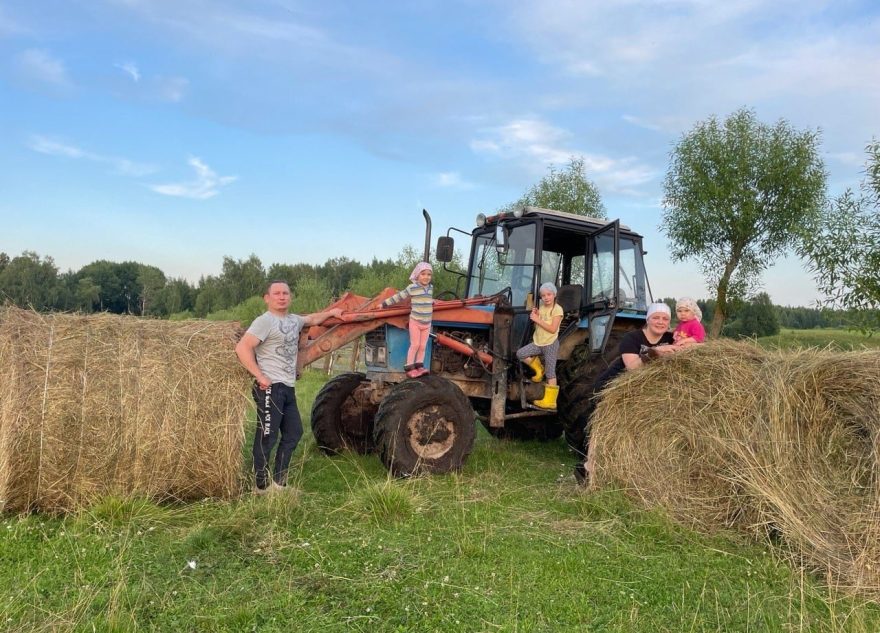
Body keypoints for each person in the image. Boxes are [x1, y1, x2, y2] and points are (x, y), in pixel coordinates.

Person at [235, 280, 343, 493]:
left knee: (294, 433)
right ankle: (260, 486)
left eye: (285, 293)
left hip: (287, 387)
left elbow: (312, 318)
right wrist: (259, 376)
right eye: (277, 293)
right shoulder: (264, 322)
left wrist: (333, 313)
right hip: (270, 387)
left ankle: (278, 483)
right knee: (267, 435)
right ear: (267, 298)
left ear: (290, 297)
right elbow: (242, 348)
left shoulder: (294, 320)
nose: (282, 296)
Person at [573, 302, 677, 485]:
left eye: (665, 319)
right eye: (656, 317)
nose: (660, 322)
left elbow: (694, 342)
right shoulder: (633, 338)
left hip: (641, 391)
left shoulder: (672, 337)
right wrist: (656, 352)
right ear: (648, 319)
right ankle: (589, 470)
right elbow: (633, 367)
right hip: (613, 386)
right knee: (606, 427)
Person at [516, 282, 565, 410]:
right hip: (538, 342)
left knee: (550, 373)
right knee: (520, 353)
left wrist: (538, 320)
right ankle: (538, 368)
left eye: (549, 294)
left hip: (550, 344)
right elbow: (538, 325)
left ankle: (550, 401)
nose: (546, 297)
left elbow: (553, 329)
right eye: (543, 296)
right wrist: (537, 315)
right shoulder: (542, 308)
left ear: (554, 294)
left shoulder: (557, 309)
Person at [381, 262, 433, 378]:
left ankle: (419, 366)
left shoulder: (430, 288)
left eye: (429, 274)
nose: (426, 277)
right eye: (423, 274)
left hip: (427, 323)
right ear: (417, 275)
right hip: (416, 321)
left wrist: (432, 301)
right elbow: (399, 296)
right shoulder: (412, 288)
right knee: (415, 345)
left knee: (423, 346)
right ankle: (410, 367)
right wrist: (384, 304)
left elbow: (428, 299)